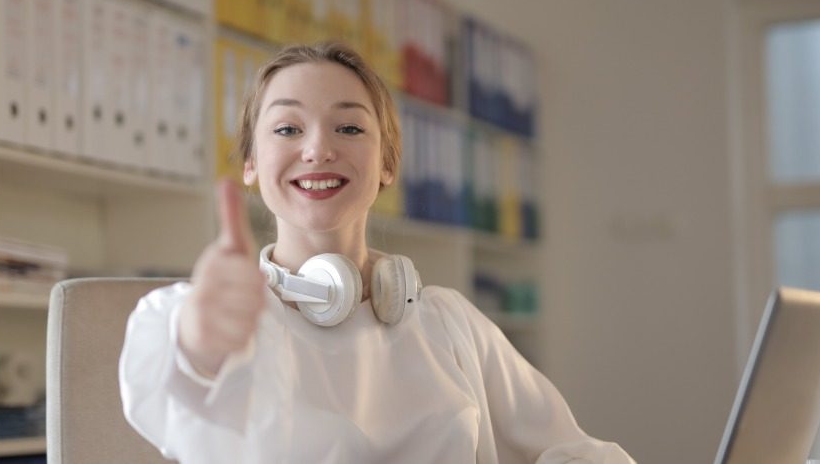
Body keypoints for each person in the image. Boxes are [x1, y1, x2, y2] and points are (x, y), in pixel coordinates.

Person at [118, 42, 635, 463]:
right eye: (287, 129)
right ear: (250, 163)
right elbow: (171, 389)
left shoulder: (451, 324)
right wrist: (201, 345)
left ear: (387, 164)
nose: (318, 148)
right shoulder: (196, 320)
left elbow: (577, 452)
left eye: (349, 127)